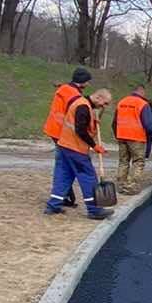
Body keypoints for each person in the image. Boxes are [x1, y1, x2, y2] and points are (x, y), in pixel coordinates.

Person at [45, 88, 114, 219]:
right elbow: (80, 130)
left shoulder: (83, 104)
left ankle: (53, 205)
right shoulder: (83, 106)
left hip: (64, 145)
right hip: (75, 149)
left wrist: (94, 120)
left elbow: (84, 125)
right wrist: (95, 146)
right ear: (98, 97)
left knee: (63, 176)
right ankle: (94, 210)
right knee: (88, 177)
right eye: (105, 103)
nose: (104, 106)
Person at [42, 66, 91, 208]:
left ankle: (65, 196)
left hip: (53, 129)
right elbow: (78, 107)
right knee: (65, 165)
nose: (88, 84)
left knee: (64, 163)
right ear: (82, 81)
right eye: (87, 81)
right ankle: (63, 197)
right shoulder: (73, 94)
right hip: (61, 132)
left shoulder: (64, 89)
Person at [112, 83, 152, 195]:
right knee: (138, 162)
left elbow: (114, 122)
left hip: (122, 136)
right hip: (136, 138)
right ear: (141, 91)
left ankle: (121, 185)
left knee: (123, 161)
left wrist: (117, 134)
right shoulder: (143, 104)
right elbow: (149, 124)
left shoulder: (122, 102)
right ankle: (131, 186)